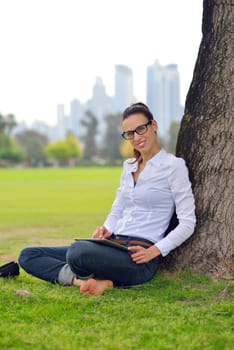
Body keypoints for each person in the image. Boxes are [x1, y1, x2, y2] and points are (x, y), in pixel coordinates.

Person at [19, 102, 196, 295]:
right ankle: (85, 282)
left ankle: (90, 276)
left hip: (139, 258)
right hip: (112, 245)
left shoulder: (173, 166)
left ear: (153, 125)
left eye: (140, 129)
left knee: (78, 252)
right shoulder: (128, 166)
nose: (136, 137)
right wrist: (106, 229)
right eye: (130, 133)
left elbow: (188, 222)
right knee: (28, 255)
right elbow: (118, 208)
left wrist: (155, 251)